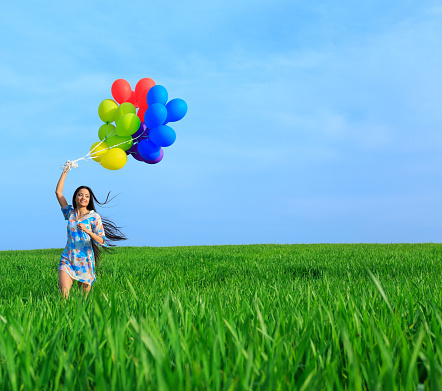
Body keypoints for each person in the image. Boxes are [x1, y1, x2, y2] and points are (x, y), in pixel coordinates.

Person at [55, 163, 127, 299]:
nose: (83, 198)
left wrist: (88, 232)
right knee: (63, 296)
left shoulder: (94, 217)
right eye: (80, 195)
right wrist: (65, 171)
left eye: (87, 196)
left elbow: (102, 241)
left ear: (89, 200)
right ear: (75, 197)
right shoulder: (70, 213)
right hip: (68, 259)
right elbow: (58, 193)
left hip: (85, 261)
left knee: (84, 302)